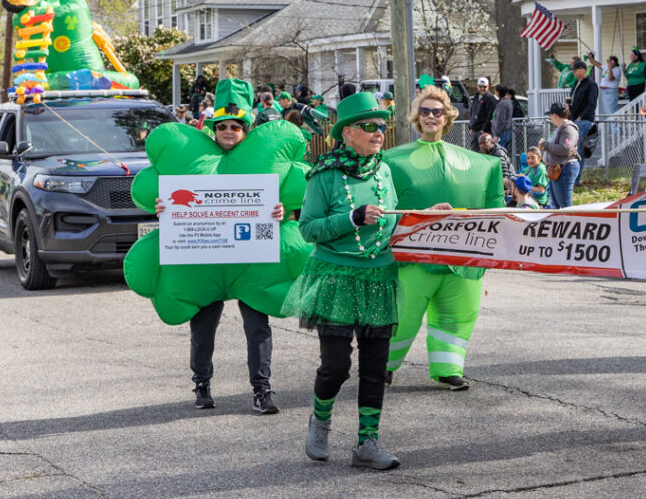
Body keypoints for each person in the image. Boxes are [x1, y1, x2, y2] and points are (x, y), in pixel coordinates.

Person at [283, 92, 402, 469]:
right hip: (335, 277)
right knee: (336, 366)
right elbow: (308, 228)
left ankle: (367, 443)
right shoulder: (325, 174)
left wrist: (429, 216)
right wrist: (352, 218)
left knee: (375, 366)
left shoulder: (384, 170)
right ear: (347, 133)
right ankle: (320, 422)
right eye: (369, 126)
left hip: (378, 276)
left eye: (382, 126)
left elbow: (395, 217)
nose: (378, 132)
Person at [154, 79, 284, 414]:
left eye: (235, 126)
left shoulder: (261, 161)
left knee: (258, 327)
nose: (228, 131)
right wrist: (165, 208)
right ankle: (202, 384)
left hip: (249, 259)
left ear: (246, 130)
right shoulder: (196, 160)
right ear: (213, 129)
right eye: (222, 126)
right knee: (203, 328)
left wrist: (280, 211)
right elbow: (176, 196)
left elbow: (287, 193)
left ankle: (262, 390)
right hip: (206, 257)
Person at [384, 85, 505, 390]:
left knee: (459, 314)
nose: (431, 116)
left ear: (447, 116)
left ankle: (448, 368)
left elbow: (495, 209)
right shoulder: (391, 161)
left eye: (437, 111)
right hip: (413, 259)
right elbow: (383, 205)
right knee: (402, 315)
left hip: (460, 259)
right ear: (417, 116)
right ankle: (382, 365)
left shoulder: (481, 163)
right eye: (424, 111)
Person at [539, 103, 580, 209]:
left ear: (555, 115)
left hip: (565, 168)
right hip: (556, 168)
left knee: (565, 205)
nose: (550, 118)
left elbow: (565, 149)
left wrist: (545, 145)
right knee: (556, 205)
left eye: (550, 115)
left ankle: (569, 220)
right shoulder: (560, 128)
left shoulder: (568, 129)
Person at [568, 60, 598, 186]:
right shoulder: (577, 83)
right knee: (572, 149)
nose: (574, 72)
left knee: (579, 150)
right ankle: (572, 178)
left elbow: (592, 104)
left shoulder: (591, 84)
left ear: (583, 70)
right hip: (574, 120)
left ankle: (576, 180)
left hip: (584, 121)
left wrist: (581, 117)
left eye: (576, 70)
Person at [478, 132, 515, 197]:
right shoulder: (483, 152)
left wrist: (505, 190)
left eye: (484, 143)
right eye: (480, 143)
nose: (482, 146)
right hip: (495, 181)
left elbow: (505, 174)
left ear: (491, 142)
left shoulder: (499, 153)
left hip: (507, 184)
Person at [469, 77, 498, 151]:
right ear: (477, 86)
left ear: (488, 86)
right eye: (480, 86)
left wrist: (484, 129)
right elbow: (472, 112)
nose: (482, 89)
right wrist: (470, 126)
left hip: (484, 131)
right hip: (474, 129)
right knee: (473, 151)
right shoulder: (476, 97)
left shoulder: (490, 98)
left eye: (484, 87)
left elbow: (491, 115)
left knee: (484, 150)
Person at [492, 83, 513, 152]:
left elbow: (501, 120)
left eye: (496, 91)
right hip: (506, 131)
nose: (495, 92)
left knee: (500, 152)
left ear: (498, 92)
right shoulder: (508, 102)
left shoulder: (503, 104)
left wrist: (496, 135)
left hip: (502, 133)